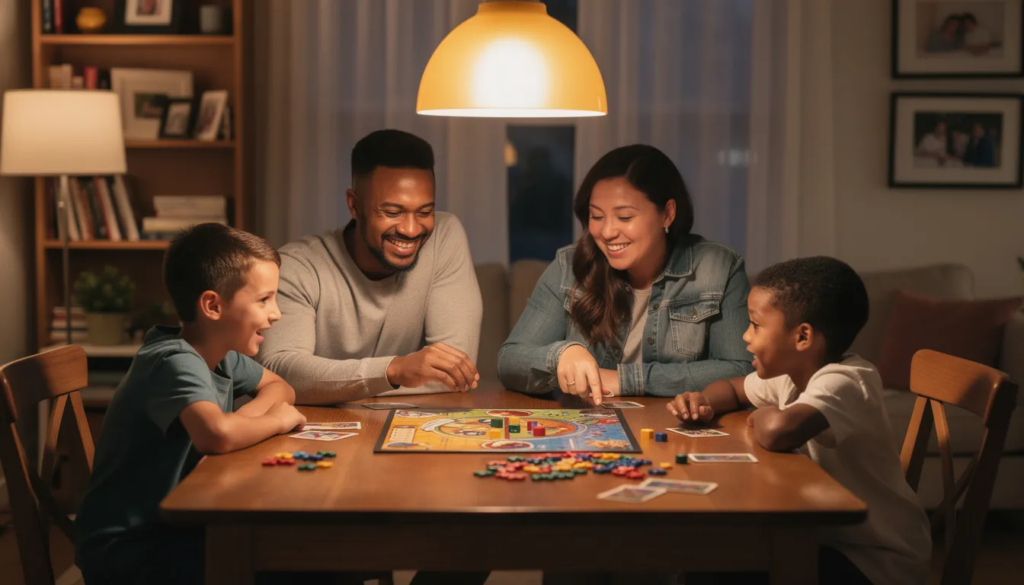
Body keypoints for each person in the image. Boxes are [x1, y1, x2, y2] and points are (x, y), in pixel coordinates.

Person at [669, 256, 932, 585]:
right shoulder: (789, 373)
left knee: (715, 567)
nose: (746, 336)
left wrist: (762, 415)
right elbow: (733, 389)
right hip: (825, 538)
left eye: (755, 325)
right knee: (708, 561)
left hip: (874, 559)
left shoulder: (848, 380)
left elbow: (779, 431)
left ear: (802, 337)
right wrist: (704, 401)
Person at [75, 224, 307, 585]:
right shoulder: (173, 360)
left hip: (178, 527)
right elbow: (215, 435)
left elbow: (281, 388)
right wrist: (274, 421)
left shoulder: (221, 353)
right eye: (264, 300)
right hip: (131, 549)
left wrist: (240, 421)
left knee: (299, 556)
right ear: (213, 306)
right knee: (300, 563)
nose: (275, 313)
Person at [497, 144, 753, 404]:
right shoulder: (570, 266)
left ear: (667, 214)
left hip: (673, 423)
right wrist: (561, 355)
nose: (607, 232)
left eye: (625, 217)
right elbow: (509, 362)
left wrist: (625, 379)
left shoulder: (719, 267)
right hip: (589, 423)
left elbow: (741, 371)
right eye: (597, 216)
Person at [257, 129, 483, 404]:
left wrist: (328, 386)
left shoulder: (444, 237)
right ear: (354, 205)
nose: (411, 230)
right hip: (314, 424)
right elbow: (280, 373)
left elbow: (456, 374)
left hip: (403, 420)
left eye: (424, 212)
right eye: (392, 212)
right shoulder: (297, 266)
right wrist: (394, 371)